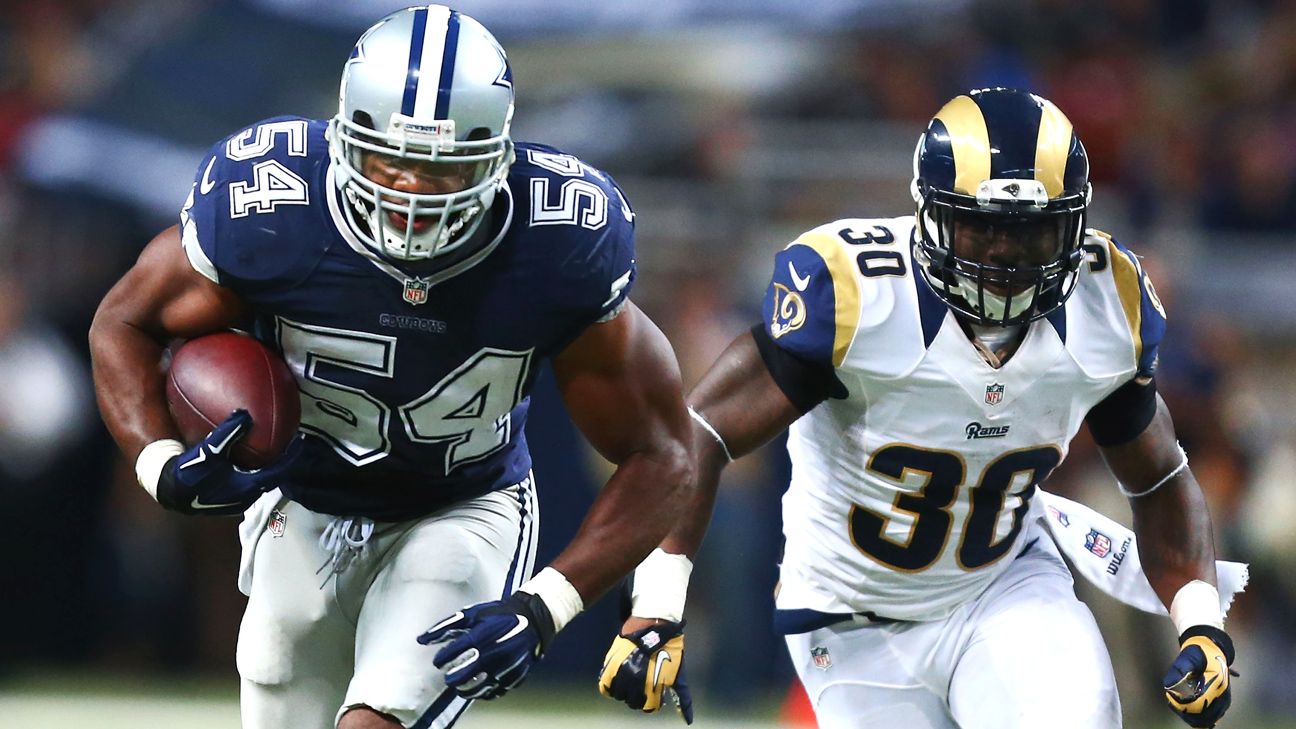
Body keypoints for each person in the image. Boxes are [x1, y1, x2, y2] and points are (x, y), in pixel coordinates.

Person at [89, 6, 694, 728]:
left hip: (462, 506)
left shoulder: (559, 241)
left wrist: (546, 605)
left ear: (495, 157)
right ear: (345, 139)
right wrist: (158, 463)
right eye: (388, 160)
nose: (410, 189)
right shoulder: (272, 207)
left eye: (442, 168)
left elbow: (662, 453)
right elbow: (124, 321)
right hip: (302, 503)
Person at [599, 87, 1243, 729]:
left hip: (1004, 586)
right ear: (930, 215)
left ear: (1072, 227)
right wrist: (657, 606)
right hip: (852, 618)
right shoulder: (858, 294)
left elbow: (1159, 475)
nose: (1004, 254)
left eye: (1031, 231)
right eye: (981, 226)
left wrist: (1201, 623)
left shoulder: (1107, 301)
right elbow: (701, 433)